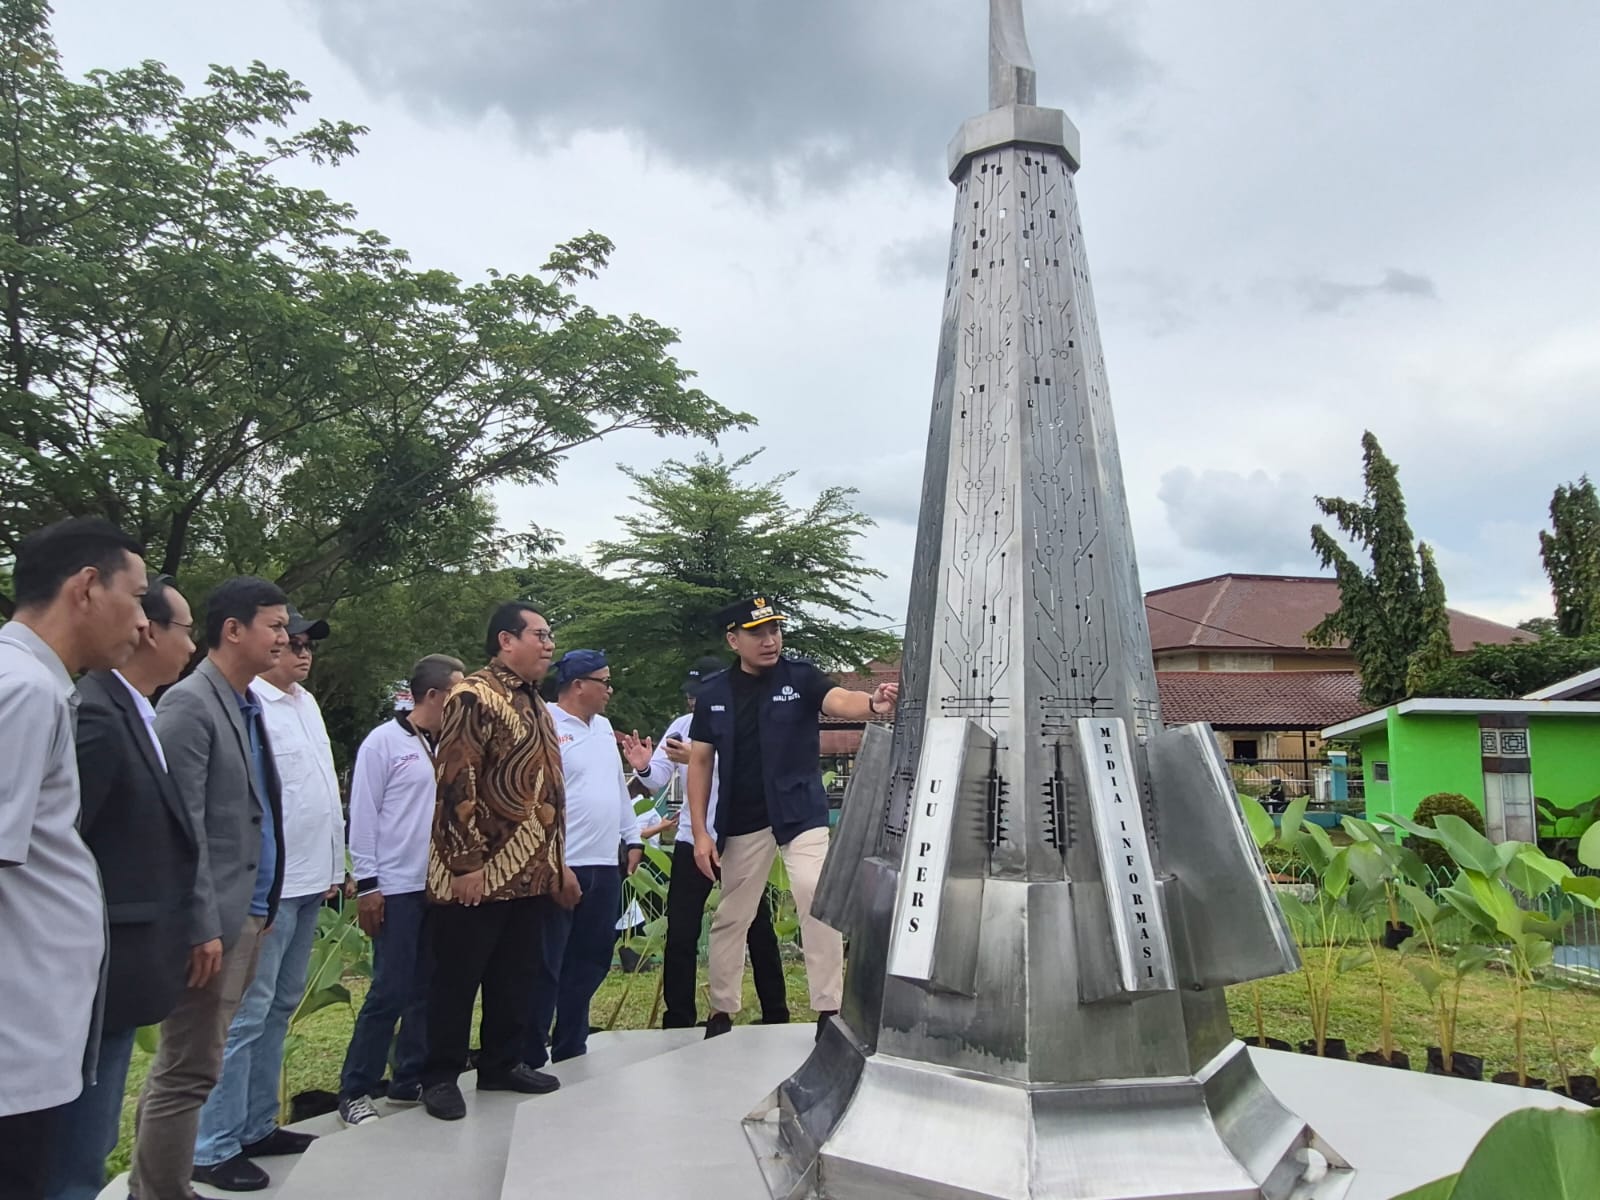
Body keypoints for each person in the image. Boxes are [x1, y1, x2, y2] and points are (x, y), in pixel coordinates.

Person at [0, 518, 148, 1200]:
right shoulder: (23, 692)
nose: (143, 622)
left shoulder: (37, 685)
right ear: (86, 587)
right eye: (138, 597)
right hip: (17, 1045)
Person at [132, 576, 289, 1200]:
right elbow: (182, 827)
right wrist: (202, 924)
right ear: (234, 630)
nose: (284, 637)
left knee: (200, 1063)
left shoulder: (247, 703)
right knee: (188, 1068)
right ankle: (162, 1190)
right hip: (213, 924)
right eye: (275, 626)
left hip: (249, 913)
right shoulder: (191, 704)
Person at [45, 574, 201, 1200]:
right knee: (75, 1151)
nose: (190, 645)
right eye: (185, 629)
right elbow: (64, 845)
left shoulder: (138, 711)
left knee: (94, 1133)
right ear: (148, 631)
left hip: (125, 964)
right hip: (99, 963)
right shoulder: (96, 715)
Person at [688, 597, 898, 1041]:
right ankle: (721, 1011)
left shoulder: (799, 677)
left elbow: (840, 701)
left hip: (800, 812)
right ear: (733, 639)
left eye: (774, 630)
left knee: (812, 893)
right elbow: (701, 763)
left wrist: (874, 705)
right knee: (732, 915)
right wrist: (700, 832)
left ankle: (829, 1009)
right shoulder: (713, 695)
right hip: (743, 818)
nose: (769, 640)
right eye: (757, 633)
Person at [189, 607, 341, 1190]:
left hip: (310, 880)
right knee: (245, 1016)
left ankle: (255, 1126)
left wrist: (334, 865)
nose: (300, 651)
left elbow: (317, 792)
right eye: (291, 640)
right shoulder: (250, 706)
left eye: (307, 644)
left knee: (279, 1009)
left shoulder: (306, 704)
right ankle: (213, 1143)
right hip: (268, 888)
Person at [420, 602, 580, 1122]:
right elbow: (455, 780)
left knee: (517, 974)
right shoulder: (473, 695)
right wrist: (465, 864)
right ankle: (440, 1075)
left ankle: (500, 1063)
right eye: (541, 634)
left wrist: (556, 862)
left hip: (529, 872)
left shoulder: (534, 701)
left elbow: (544, 790)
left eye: (551, 635)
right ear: (506, 641)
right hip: (479, 870)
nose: (549, 644)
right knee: (458, 977)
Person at [336, 653, 466, 1127]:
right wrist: (368, 885)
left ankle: (409, 1075)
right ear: (433, 696)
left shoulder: (452, 744)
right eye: (457, 693)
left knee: (429, 987)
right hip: (396, 885)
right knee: (389, 989)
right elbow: (364, 818)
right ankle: (355, 1088)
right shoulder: (384, 744)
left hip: (439, 885)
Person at [637, 655, 789, 1030]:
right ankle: (679, 1017)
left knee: (755, 925)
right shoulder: (683, 726)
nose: (693, 702)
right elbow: (658, 777)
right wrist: (643, 765)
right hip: (694, 836)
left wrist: (701, 757)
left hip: (741, 837)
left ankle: (775, 1012)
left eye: (700, 694)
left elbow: (753, 769)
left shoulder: (745, 719)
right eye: (690, 696)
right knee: (682, 931)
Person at [526, 651, 648, 1068]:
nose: (609, 690)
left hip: (604, 860)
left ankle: (571, 1041)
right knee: (549, 959)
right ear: (578, 684)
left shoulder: (603, 729)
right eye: (604, 681)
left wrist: (632, 838)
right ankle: (530, 1048)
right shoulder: (544, 724)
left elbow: (617, 785)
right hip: (563, 862)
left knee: (594, 956)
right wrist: (552, 860)